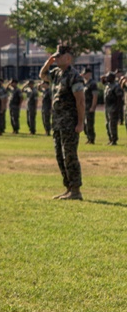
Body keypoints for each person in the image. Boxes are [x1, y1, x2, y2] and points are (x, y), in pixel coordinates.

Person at [39, 46, 85, 200]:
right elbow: (42, 75)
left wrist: (80, 123)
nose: (57, 59)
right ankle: (68, 188)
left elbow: (80, 101)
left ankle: (76, 190)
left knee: (70, 156)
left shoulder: (74, 76)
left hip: (70, 123)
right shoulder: (57, 73)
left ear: (68, 58)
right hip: (58, 122)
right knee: (60, 156)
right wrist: (48, 62)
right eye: (56, 56)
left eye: (60, 56)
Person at [104, 72, 123, 146]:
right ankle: (110, 138)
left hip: (113, 107)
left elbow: (119, 98)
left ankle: (114, 139)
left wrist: (117, 108)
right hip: (107, 107)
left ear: (112, 78)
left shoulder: (116, 86)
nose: (106, 78)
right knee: (107, 124)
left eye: (108, 77)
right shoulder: (108, 85)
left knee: (112, 124)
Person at [83, 71, 99, 145]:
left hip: (89, 106)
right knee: (84, 124)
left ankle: (91, 139)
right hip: (84, 106)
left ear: (89, 74)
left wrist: (93, 107)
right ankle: (88, 138)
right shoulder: (84, 83)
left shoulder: (92, 84)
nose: (83, 74)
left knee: (89, 124)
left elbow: (95, 96)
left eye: (85, 73)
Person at [40, 72, 53, 137]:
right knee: (44, 119)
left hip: (47, 108)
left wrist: (51, 108)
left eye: (43, 84)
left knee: (47, 120)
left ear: (46, 84)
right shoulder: (44, 91)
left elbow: (52, 100)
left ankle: (48, 131)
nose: (42, 85)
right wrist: (40, 84)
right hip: (43, 107)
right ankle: (46, 130)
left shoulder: (49, 91)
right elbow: (38, 88)